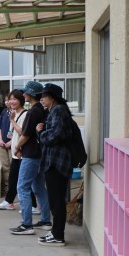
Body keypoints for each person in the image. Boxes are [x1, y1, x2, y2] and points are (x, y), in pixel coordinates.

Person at [11, 81, 51, 236]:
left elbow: (25, 134)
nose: (23, 94)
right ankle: (45, 220)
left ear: (31, 94)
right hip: (40, 154)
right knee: (39, 188)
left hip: (31, 155)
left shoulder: (33, 111)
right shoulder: (42, 109)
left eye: (25, 92)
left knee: (22, 187)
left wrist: (17, 147)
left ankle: (27, 225)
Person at [36, 83, 74, 246]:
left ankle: (58, 235)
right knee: (55, 200)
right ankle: (55, 233)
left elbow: (55, 135)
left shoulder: (58, 110)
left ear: (52, 98)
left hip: (57, 163)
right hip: (55, 162)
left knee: (57, 201)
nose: (41, 99)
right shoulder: (56, 110)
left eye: (44, 96)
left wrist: (40, 133)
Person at [0, 95, 12, 195]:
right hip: (2, 143)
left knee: (13, 166)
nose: (6, 102)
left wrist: (11, 142)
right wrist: (0, 140)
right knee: (5, 166)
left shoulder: (17, 113)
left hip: (13, 144)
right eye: (5, 100)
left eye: (8, 100)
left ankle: (14, 186)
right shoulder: (4, 112)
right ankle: (7, 186)